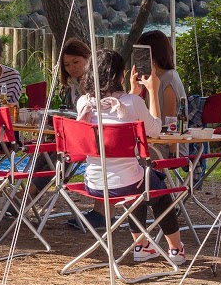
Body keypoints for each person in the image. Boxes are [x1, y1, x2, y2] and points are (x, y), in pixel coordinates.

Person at [76, 48, 186, 265]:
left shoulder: (84, 103)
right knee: (156, 188)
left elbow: (118, 111)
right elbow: (154, 129)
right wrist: (152, 92)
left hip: (94, 183)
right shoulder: (132, 103)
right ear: (120, 75)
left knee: (138, 181)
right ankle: (175, 248)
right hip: (127, 182)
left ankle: (142, 245)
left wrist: (133, 95)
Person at [135, 29, 186, 125]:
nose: (140, 58)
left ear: (153, 54)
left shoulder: (169, 78)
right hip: (153, 134)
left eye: (142, 52)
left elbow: (170, 120)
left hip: (165, 136)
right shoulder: (151, 79)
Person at [56, 38, 93, 109]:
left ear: (88, 58)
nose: (71, 67)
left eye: (75, 62)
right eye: (67, 65)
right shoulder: (71, 85)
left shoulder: (100, 84)